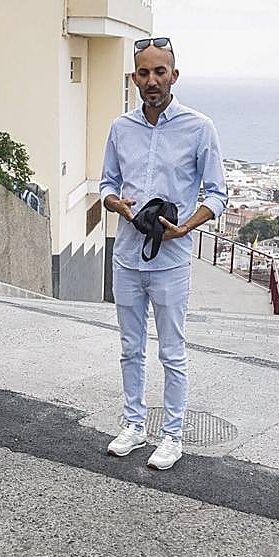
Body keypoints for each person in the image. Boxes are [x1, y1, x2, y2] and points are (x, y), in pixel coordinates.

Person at [99, 36, 227, 470]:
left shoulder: (199, 127)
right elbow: (106, 184)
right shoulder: (120, 128)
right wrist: (115, 202)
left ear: (174, 75)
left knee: (172, 351)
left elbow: (218, 194)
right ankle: (134, 425)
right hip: (126, 256)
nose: (151, 80)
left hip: (171, 262)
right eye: (143, 72)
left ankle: (172, 436)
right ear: (134, 77)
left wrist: (185, 228)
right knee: (129, 347)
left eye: (159, 72)